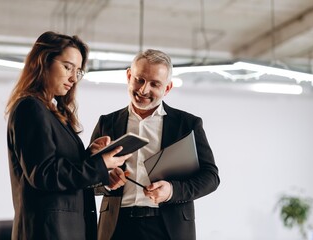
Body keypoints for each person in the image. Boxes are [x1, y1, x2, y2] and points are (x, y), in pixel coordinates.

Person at [5, 31, 131, 240]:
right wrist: (100, 164)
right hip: (48, 232)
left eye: (78, 71)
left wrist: (89, 155)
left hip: (65, 230)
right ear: (43, 62)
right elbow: (44, 174)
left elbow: (57, 167)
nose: (73, 78)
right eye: (67, 67)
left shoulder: (52, 112)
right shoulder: (30, 108)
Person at [91, 49, 220, 240]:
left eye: (154, 84)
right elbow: (86, 178)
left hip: (168, 228)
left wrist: (172, 191)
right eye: (139, 80)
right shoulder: (107, 122)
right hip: (117, 226)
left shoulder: (187, 124)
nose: (144, 90)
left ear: (167, 88)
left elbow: (210, 177)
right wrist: (106, 180)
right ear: (129, 76)